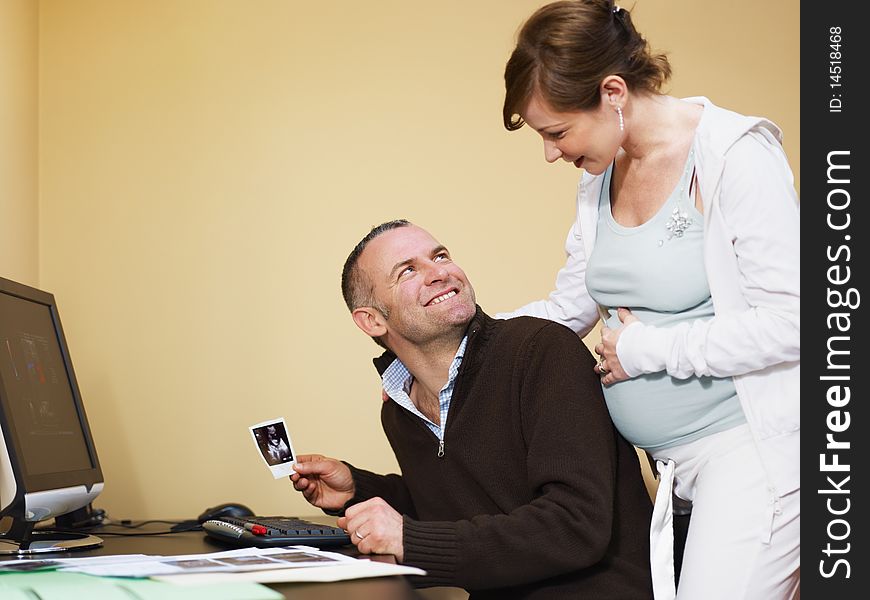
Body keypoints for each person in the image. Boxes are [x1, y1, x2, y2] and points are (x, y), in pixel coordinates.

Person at [497, 1, 800, 599]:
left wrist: (648, 350)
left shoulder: (733, 157)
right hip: (667, 472)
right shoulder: (599, 174)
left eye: (556, 132)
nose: (550, 153)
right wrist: (459, 343)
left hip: (755, 457)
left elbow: (797, 322)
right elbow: (571, 307)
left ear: (613, 92)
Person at [290, 220, 653, 599]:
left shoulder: (542, 351)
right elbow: (458, 508)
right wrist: (358, 489)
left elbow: (575, 525)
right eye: (409, 270)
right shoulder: (399, 411)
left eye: (440, 256)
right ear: (372, 320)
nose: (440, 273)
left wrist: (409, 540)